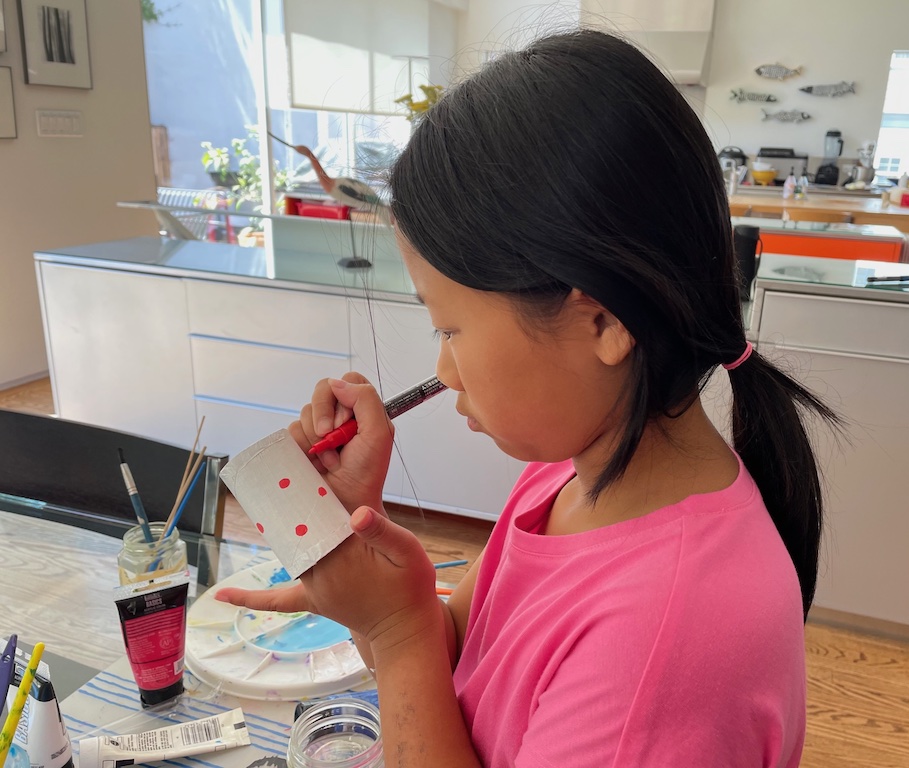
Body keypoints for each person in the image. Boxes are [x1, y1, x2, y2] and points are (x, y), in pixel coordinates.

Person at [217, 28, 841, 767]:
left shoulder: (671, 637)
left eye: (450, 326)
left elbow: (416, 644)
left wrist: (394, 632)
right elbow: (453, 653)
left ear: (602, 321)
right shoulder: (568, 477)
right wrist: (361, 561)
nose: (444, 371)